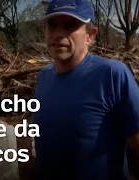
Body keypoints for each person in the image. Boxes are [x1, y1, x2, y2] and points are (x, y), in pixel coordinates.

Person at [32, 0, 139, 179]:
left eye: (70, 25)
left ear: (90, 35)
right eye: (52, 24)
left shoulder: (111, 75)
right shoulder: (43, 78)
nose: (58, 34)